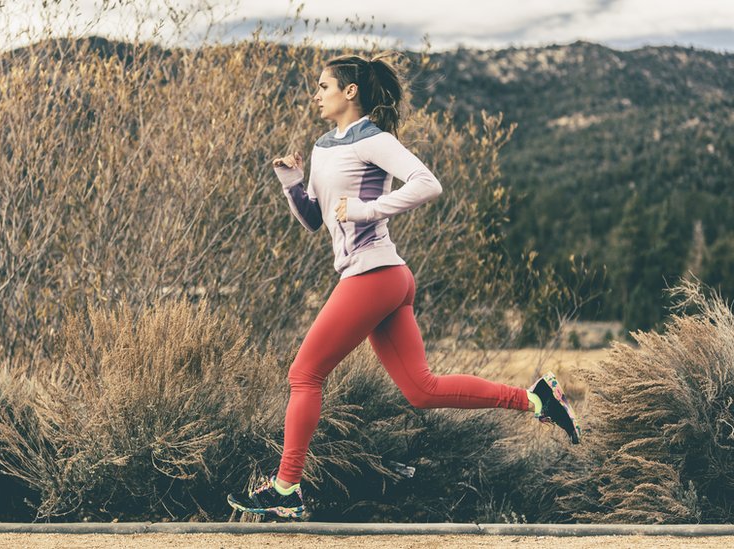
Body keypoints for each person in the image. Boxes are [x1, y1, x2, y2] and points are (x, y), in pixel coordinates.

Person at [226, 53, 581, 520]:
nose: (316, 94)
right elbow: (314, 219)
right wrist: (291, 179)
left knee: (304, 375)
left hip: (373, 275)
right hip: (381, 277)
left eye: (323, 86)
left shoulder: (372, 139)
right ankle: (537, 398)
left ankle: (286, 488)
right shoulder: (322, 146)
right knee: (422, 389)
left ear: (350, 92)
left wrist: (368, 210)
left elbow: (427, 184)